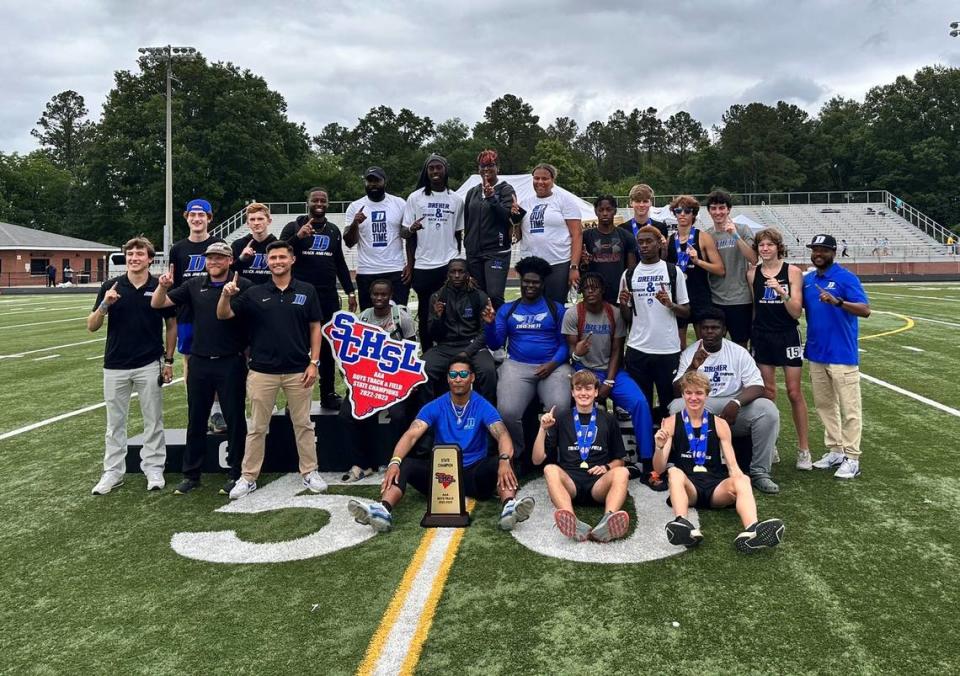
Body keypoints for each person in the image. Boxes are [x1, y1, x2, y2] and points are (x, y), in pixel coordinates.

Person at [346, 356, 535, 532]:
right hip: (442, 477)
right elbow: (411, 435)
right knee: (405, 464)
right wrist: (394, 462)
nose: (458, 379)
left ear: (472, 378)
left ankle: (509, 507)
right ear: (448, 379)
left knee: (501, 462)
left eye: (463, 374)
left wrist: (503, 460)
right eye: (453, 375)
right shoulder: (436, 405)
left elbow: (502, 434)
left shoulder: (482, 405)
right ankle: (383, 510)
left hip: (473, 474)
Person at [217, 240, 328, 499]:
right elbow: (223, 315)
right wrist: (225, 294)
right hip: (262, 371)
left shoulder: (307, 290)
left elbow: (315, 327)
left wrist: (314, 362)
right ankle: (248, 476)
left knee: (303, 424)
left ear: (292, 260)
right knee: (257, 426)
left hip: (298, 370)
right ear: (267, 262)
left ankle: (310, 472)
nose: (277, 261)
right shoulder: (255, 293)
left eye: (282, 257)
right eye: (273, 258)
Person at [151, 242, 252, 495]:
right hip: (200, 361)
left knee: (235, 419)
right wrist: (162, 286)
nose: (214, 262)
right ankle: (191, 474)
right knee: (196, 419)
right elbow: (158, 304)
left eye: (219, 258)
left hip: (231, 360)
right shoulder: (194, 285)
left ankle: (236, 472)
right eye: (210, 258)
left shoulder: (244, 285)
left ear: (230, 260)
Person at [657, 371, 785, 554]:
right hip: (689, 488)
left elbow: (732, 466)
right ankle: (682, 524)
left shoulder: (719, 423)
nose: (693, 398)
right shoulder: (670, 423)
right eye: (689, 393)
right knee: (673, 472)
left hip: (716, 488)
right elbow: (659, 468)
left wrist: (740, 485)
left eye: (699, 393)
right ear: (683, 394)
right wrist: (660, 447)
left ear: (707, 395)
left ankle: (752, 530)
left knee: (743, 479)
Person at [87, 237, 176, 495]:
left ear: (150, 258)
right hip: (115, 364)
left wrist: (168, 360)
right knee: (115, 423)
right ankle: (113, 472)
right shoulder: (111, 285)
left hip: (149, 362)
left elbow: (171, 325)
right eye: (130, 254)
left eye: (140, 254)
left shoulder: (159, 285)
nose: (134, 258)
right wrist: (105, 304)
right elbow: (92, 326)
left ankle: (154, 467)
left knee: (153, 419)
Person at [670, 308, 781, 494]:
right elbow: (676, 390)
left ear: (724, 330)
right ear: (699, 329)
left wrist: (736, 403)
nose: (710, 332)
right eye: (705, 328)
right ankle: (689, 467)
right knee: (677, 407)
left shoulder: (738, 352)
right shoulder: (691, 352)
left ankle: (760, 472)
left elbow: (757, 386)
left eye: (715, 328)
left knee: (767, 410)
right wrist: (692, 367)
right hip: (704, 405)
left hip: (734, 405)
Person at [561, 272, 653, 476]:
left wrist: (609, 381)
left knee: (639, 402)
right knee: (569, 402)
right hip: (583, 370)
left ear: (602, 290)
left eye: (595, 287)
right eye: (586, 288)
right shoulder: (573, 313)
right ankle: (574, 457)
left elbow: (616, 350)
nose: (590, 291)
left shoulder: (614, 312)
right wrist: (578, 352)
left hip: (611, 372)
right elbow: (571, 353)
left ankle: (647, 460)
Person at [484, 256, 573, 466]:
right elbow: (496, 344)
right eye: (526, 281)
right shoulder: (508, 309)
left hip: (553, 366)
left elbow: (565, 345)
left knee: (559, 407)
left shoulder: (556, 309)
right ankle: (519, 453)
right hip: (517, 365)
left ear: (543, 284)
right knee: (507, 411)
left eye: (535, 282)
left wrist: (552, 364)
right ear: (521, 281)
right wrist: (489, 325)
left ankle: (551, 453)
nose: (530, 286)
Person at [280, 189, 357, 410]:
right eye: (316, 200)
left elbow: (340, 263)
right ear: (308, 203)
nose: (320, 203)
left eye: (323, 200)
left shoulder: (333, 230)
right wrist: (298, 238)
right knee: (298, 347)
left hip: (327, 297)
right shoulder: (294, 227)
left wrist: (350, 292)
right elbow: (278, 253)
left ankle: (328, 393)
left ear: (328, 203)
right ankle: (294, 398)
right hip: (300, 295)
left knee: (327, 347)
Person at [801, 234, 871, 480]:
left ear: (833, 252)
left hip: (842, 353)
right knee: (824, 405)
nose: (818, 254)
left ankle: (852, 457)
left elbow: (865, 310)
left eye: (823, 250)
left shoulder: (845, 278)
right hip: (817, 352)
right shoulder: (808, 280)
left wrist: (838, 302)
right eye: (814, 250)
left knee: (850, 408)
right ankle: (835, 450)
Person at [532, 371, 631, 542]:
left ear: (595, 392)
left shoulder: (608, 419)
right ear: (572, 393)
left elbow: (620, 460)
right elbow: (537, 459)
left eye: (588, 388)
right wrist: (543, 429)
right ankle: (570, 519)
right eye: (578, 389)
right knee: (549, 469)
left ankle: (608, 521)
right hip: (570, 483)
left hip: (598, 483)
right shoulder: (561, 418)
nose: (583, 393)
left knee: (622, 473)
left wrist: (606, 467)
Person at [339, 278, 416, 482]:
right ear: (370, 295)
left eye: (383, 294)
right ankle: (363, 464)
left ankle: (399, 461)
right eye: (376, 294)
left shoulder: (401, 318)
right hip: (369, 377)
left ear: (390, 296)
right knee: (348, 413)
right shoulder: (363, 318)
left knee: (399, 414)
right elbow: (354, 352)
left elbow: (412, 353)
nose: (379, 298)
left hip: (395, 377)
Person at [746, 228, 811, 470]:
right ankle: (770, 444)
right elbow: (754, 307)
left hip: (787, 334)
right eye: (761, 245)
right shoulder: (753, 274)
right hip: (762, 335)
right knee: (768, 392)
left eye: (769, 245)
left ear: (778, 247)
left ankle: (804, 449)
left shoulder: (792, 271)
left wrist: (782, 292)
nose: (765, 249)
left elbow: (796, 311)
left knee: (794, 392)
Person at [618, 225, 690, 427]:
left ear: (659, 243)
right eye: (640, 242)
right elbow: (627, 318)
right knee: (642, 406)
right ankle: (646, 455)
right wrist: (624, 304)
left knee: (669, 405)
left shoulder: (672, 271)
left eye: (649, 241)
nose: (644, 246)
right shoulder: (629, 274)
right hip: (638, 349)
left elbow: (686, 311)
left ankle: (670, 452)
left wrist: (670, 304)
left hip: (667, 349)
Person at [168, 198, 227, 432]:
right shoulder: (178, 249)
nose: (197, 219)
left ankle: (217, 412)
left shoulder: (219, 244)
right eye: (192, 215)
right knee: (190, 361)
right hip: (188, 315)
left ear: (209, 218)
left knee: (219, 360)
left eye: (201, 215)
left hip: (215, 314)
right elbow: (174, 285)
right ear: (186, 217)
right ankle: (197, 409)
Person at [401, 153, 464, 352]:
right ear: (426, 172)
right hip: (423, 265)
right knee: (426, 311)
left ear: (445, 170)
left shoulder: (456, 199)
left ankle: (449, 351)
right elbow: (405, 234)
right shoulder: (415, 197)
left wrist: (457, 261)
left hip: (447, 265)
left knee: (450, 311)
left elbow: (458, 234)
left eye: (439, 167)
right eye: (431, 168)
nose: (435, 171)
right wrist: (410, 265)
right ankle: (428, 354)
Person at [422, 259, 497, 403]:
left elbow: (484, 333)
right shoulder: (437, 297)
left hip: (473, 346)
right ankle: (427, 417)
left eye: (461, 272)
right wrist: (438, 318)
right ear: (448, 274)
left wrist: (467, 352)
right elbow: (433, 334)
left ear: (467, 274)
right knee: (423, 368)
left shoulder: (479, 296)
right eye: (453, 272)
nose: (457, 275)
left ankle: (488, 416)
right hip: (445, 347)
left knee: (488, 371)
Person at [462, 149, 522, 310]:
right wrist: (468, 245)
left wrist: (492, 198)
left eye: (491, 165)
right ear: (478, 169)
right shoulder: (472, 192)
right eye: (483, 166)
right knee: (477, 296)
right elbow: (467, 221)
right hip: (474, 252)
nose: (486, 169)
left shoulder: (505, 190)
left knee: (494, 295)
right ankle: (481, 334)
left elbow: (507, 217)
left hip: (496, 252)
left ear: (498, 168)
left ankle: (499, 332)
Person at [343, 167, 410, 309]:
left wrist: (410, 264)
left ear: (385, 182)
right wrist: (355, 223)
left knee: (398, 316)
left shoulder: (399, 203)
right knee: (370, 320)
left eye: (377, 180)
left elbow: (408, 235)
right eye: (369, 181)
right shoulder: (355, 206)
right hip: (367, 271)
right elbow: (349, 242)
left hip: (395, 269)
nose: (373, 184)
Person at [518, 163, 582, 304]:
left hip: (558, 263)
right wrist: (513, 217)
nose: (540, 182)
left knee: (555, 306)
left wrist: (574, 267)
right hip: (530, 265)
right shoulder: (524, 203)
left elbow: (577, 235)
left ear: (553, 180)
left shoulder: (565, 201)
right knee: (530, 306)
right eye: (536, 178)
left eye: (545, 179)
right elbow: (517, 236)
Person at [665, 195, 723, 349]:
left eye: (687, 211)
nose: (682, 214)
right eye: (678, 211)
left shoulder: (703, 237)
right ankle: (684, 373)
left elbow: (720, 269)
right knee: (679, 345)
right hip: (679, 298)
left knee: (703, 344)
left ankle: (702, 373)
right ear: (674, 213)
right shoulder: (670, 240)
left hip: (700, 296)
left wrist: (698, 262)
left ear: (694, 214)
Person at [702, 190, 757, 348]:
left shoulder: (742, 229)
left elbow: (753, 258)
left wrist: (734, 235)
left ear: (728, 209)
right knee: (714, 345)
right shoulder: (707, 235)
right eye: (713, 208)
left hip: (740, 298)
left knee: (740, 344)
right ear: (709, 211)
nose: (718, 212)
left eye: (721, 208)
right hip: (715, 298)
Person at [581, 195, 636, 305]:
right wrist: (584, 263)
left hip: (619, 292)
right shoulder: (586, 236)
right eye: (601, 210)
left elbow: (631, 270)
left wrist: (628, 289)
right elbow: (582, 268)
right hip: (595, 293)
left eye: (608, 210)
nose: (605, 213)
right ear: (596, 212)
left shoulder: (626, 236)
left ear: (615, 211)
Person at [232, 202, 277, 284]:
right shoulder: (238, 245)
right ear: (248, 223)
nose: (256, 223)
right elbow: (229, 273)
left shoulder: (278, 246)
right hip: (244, 293)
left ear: (269, 221)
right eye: (252, 219)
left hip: (270, 294)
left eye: (260, 219)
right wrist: (241, 259)